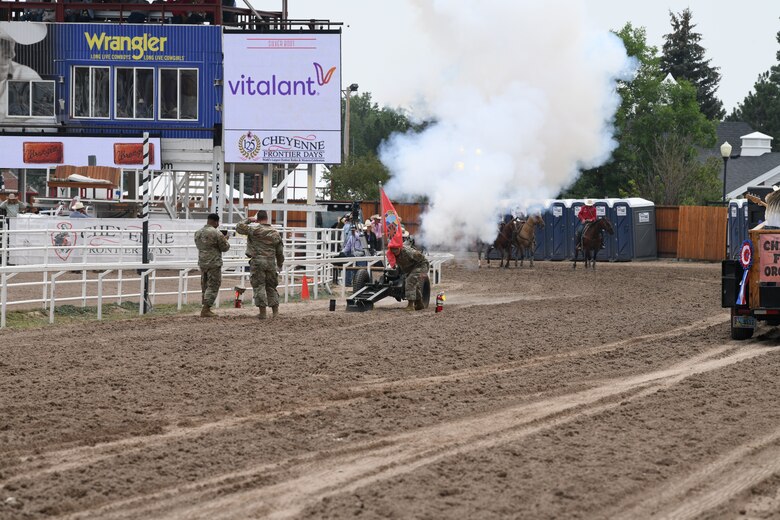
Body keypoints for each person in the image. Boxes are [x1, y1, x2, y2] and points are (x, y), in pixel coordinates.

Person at [236, 210, 284, 320]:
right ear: (267, 218)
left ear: (257, 219)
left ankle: (263, 313)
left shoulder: (254, 230)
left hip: (257, 262)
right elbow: (280, 252)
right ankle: (275, 312)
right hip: (271, 262)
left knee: (259, 286)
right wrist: (280, 264)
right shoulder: (275, 233)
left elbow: (239, 227)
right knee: (271, 287)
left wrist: (249, 219)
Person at [0, 22, 46, 124]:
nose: (12, 53)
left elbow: (47, 122)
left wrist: (6, 127)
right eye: (2, 43)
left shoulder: (27, 76)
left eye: (12, 43)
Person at [194, 213, 231, 317]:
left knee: (205, 284)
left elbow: (199, 245)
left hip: (202, 262)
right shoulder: (216, 233)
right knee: (213, 285)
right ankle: (206, 309)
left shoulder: (198, 232)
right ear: (216, 222)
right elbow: (225, 248)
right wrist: (226, 240)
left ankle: (205, 306)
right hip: (213, 262)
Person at [388, 242, 430, 311]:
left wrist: (423, 271)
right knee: (413, 284)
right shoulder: (391, 254)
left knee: (410, 281)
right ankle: (419, 303)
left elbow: (423, 261)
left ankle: (410, 306)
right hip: (410, 269)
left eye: (396, 249)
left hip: (420, 266)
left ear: (399, 248)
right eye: (393, 250)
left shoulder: (408, 252)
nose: (395, 251)